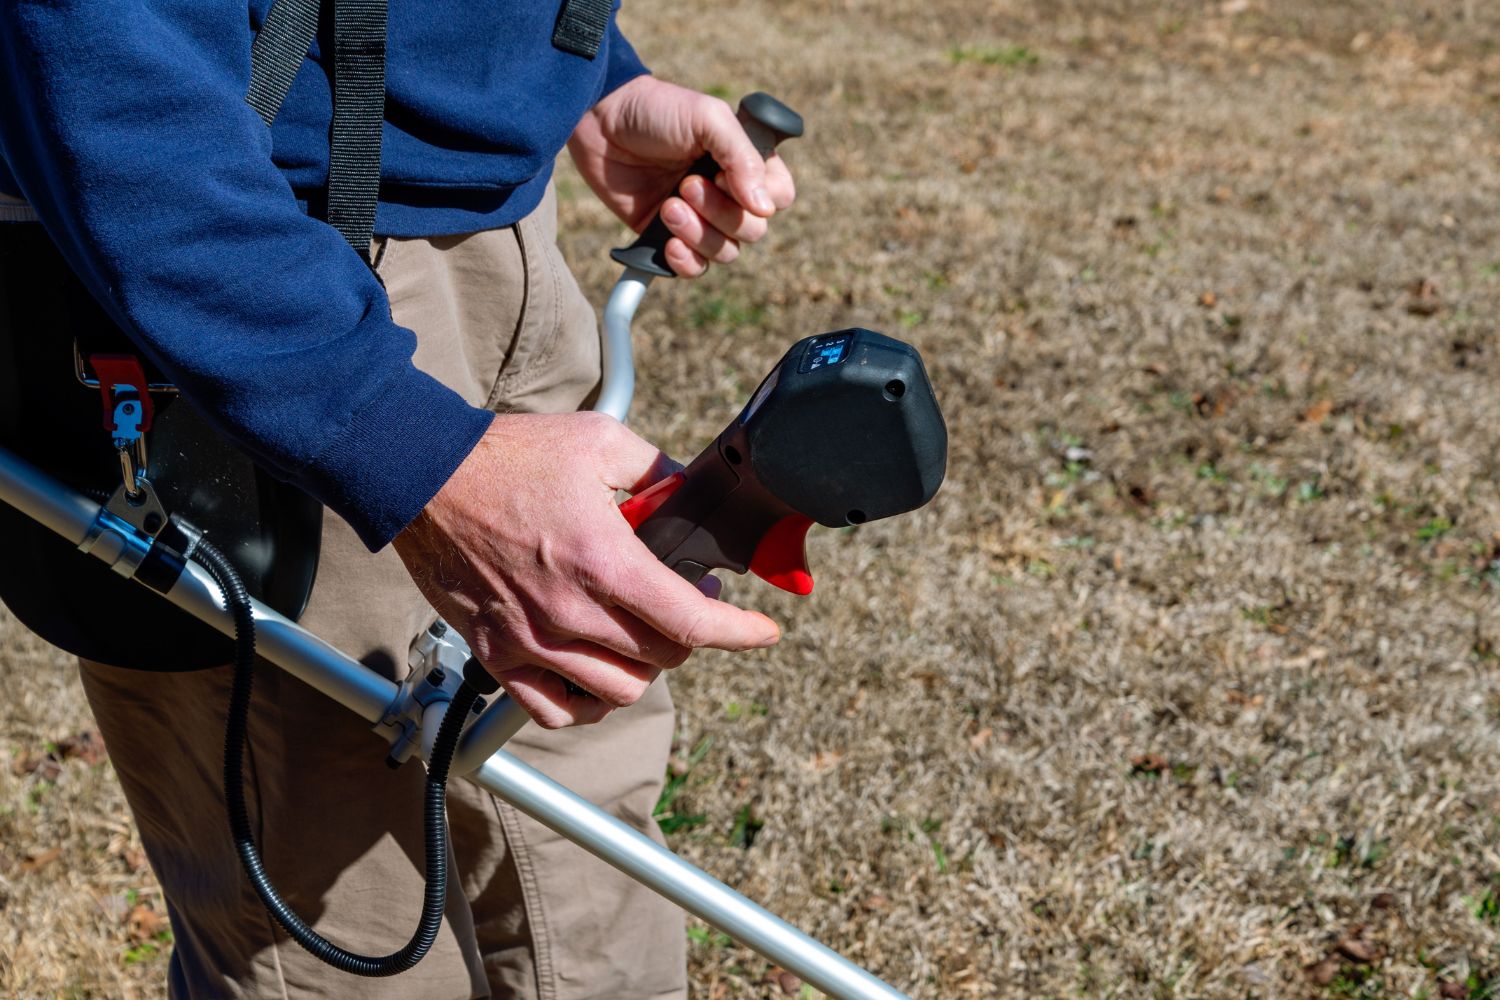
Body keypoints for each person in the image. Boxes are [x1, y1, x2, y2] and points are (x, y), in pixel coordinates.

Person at [0, 1, 795, 996]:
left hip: (499, 242)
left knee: (587, 844)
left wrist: (573, 83)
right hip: (254, 290)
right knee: (336, 920)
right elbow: (108, 60)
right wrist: (394, 437)